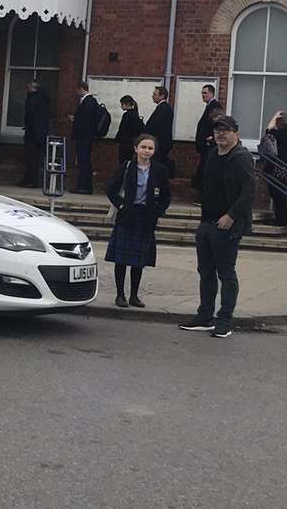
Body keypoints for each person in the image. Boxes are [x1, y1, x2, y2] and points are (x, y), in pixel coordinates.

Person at [179, 114, 255, 338]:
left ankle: (224, 320)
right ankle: (205, 317)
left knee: (226, 274)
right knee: (205, 272)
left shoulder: (240, 157)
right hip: (206, 222)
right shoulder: (213, 154)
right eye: (217, 130)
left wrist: (231, 215)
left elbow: (249, 190)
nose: (221, 134)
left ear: (235, 134)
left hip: (227, 225)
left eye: (226, 130)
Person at [105, 132, 172, 308]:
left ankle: (134, 295)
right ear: (136, 149)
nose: (146, 151)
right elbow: (111, 189)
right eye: (143, 147)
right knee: (121, 259)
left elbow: (166, 195)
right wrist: (121, 206)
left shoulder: (159, 170)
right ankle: (120, 295)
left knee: (139, 260)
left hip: (146, 218)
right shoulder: (126, 166)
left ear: (154, 151)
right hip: (127, 215)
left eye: (150, 148)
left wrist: (158, 211)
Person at [70, 81, 104, 193]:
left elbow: (86, 121)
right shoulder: (89, 101)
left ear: (81, 88)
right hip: (85, 137)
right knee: (83, 161)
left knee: (83, 162)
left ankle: (84, 187)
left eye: (76, 90)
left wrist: (76, 121)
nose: (75, 92)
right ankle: (83, 186)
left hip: (84, 137)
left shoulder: (89, 101)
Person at [19, 79, 51, 187]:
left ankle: (31, 181)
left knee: (31, 158)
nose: (27, 90)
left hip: (33, 133)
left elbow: (30, 114)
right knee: (36, 159)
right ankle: (31, 180)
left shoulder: (33, 98)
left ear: (33, 88)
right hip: (41, 133)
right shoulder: (44, 98)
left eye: (28, 88)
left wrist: (27, 124)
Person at [191, 86, 220, 196]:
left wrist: (212, 137)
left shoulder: (214, 106)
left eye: (205, 93)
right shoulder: (209, 106)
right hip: (205, 145)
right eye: (202, 93)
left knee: (205, 169)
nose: (203, 95)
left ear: (212, 93)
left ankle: (203, 195)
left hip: (209, 146)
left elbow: (217, 122)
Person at [145, 85, 174, 175]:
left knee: (156, 166)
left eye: (155, 94)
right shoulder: (163, 107)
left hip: (160, 143)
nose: (153, 96)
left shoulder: (163, 108)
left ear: (162, 96)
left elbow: (155, 126)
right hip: (160, 142)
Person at [114, 95, 143, 164]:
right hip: (133, 142)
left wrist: (117, 139)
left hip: (125, 143)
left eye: (122, 104)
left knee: (123, 162)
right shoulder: (136, 115)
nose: (121, 106)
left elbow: (122, 129)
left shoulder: (126, 115)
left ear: (126, 104)